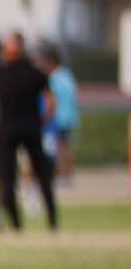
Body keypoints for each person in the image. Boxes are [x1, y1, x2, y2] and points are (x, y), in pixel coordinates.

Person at [0, 31, 53, 232]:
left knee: (7, 178)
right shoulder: (36, 73)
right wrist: (42, 120)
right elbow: (50, 103)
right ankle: (52, 220)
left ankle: (16, 223)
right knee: (42, 174)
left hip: (6, 128)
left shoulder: (0, 73)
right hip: (31, 126)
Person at [41, 42, 79, 194]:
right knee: (66, 147)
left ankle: (62, 174)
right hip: (70, 116)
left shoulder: (54, 78)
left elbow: (51, 99)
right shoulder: (67, 75)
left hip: (58, 117)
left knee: (60, 148)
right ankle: (66, 175)